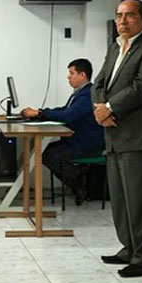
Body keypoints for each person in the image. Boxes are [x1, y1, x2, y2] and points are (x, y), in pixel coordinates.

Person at [92, 0, 142, 278]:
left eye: (130, 16)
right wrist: (100, 109)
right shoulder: (115, 47)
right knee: (122, 200)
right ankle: (129, 248)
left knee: (141, 201)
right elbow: (99, 83)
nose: (123, 21)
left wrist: (109, 108)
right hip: (114, 134)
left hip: (140, 136)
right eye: (119, 16)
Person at [21, 58, 104, 205]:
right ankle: (77, 182)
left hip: (87, 144)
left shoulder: (88, 95)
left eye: (71, 73)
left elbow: (68, 116)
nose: (68, 77)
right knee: (42, 153)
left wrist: (40, 113)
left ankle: (78, 179)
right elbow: (65, 110)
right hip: (76, 140)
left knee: (47, 156)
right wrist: (41, 113)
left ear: (82, 75)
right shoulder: (79, 93)